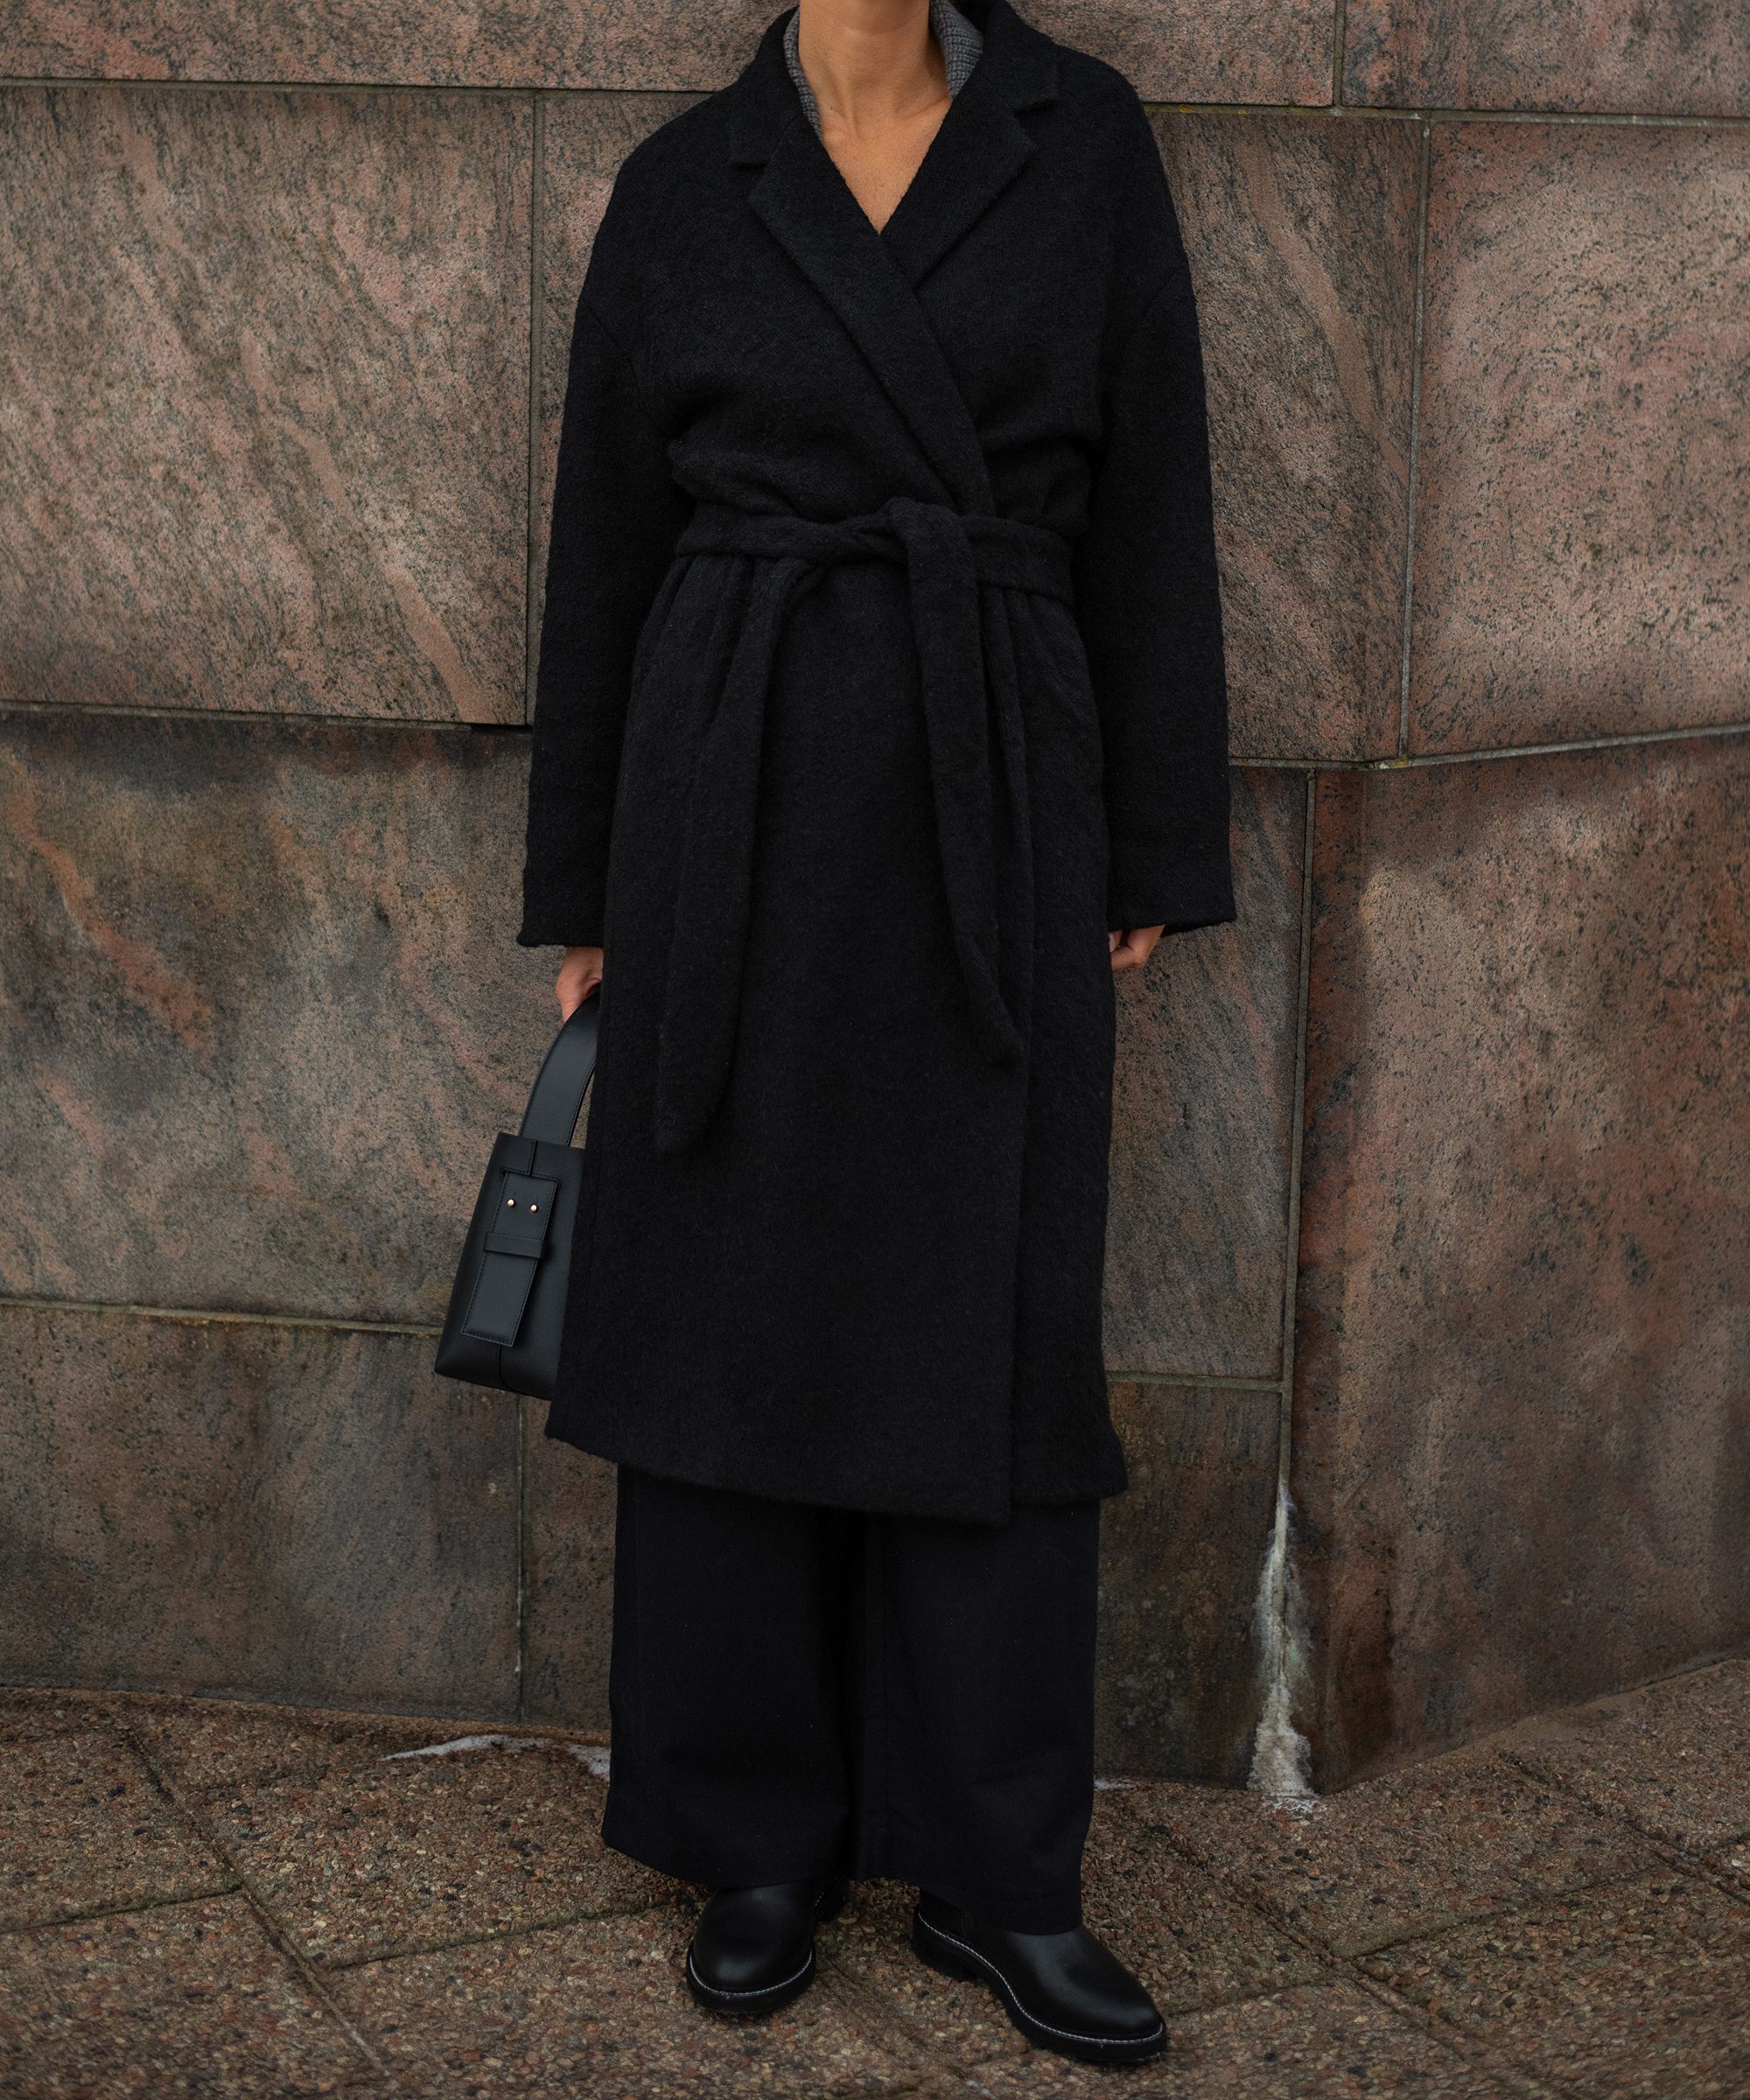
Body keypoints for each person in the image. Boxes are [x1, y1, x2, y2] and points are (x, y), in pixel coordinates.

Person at [519, 0, 1232, 2066]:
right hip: (725, 794)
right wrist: (583, 887)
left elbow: (1155, 493)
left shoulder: (1076, 141)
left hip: (993, 782)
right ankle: (756, 1841)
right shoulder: (687, 182)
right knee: (730, 1302)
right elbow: (605, 553)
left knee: (990, 1305)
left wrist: (1152, 837)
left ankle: (1001, 1876)